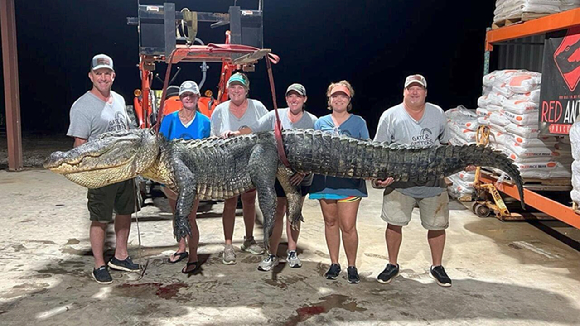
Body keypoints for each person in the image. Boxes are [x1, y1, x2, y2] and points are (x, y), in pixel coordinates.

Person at [225, 83, 318, 271]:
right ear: (286, 99)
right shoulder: (275, 115)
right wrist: (235, 133)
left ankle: (292, 251)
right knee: (277, 212)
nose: (294, 99)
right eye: (290, 96)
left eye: (298, 96)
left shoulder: (312, 120)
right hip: (278, 172)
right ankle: (272, 254)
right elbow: (254, 129)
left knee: (295, 212)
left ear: (304, 99)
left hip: (301, 176)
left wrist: (304, 172)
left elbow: (316, 150)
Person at [373, 74, 453, 287]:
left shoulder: (437, 113)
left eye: (419, 88)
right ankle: (392, 264)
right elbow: (378, 150)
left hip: (433, 182)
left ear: (425, 92)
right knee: (394, 223)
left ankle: (437, 266)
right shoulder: (390, 116)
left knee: (437, 225)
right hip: (400, 184)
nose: (414, 92)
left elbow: (446, 145)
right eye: (410, 88)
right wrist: (381, 177)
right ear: (404, 92)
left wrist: (454, 167)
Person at [67, 54, 140, 284]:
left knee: (125, 212)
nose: (103, 77)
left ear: (113, 76)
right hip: (101, 173)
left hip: (124, 170)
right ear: (91, 76)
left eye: (107, 73)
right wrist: (88, 173)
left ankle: (120, 256)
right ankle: (99, 264)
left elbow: (128, 132)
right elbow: (79, 144)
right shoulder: (82, 106)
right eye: (98, 73)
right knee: (100, 218)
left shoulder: (118, 99)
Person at [308, 80, 369, 284]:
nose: (339, 99)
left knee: (348, 225)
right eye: (335, 95)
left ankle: (352, 266)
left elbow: (367, 152)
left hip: (349, 183)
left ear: (349, 99)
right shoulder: (320, 123)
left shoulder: (358, 122)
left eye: (343, 95)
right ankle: (334, 263)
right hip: (325, 182)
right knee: (330, 222)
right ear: (329, 99)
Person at [210, 72, 268, 264]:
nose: (236, 90)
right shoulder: (219, 109)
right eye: (233, 87)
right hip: (229, 164)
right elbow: (211, 138)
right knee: (230, 202)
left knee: (250, 200)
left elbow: (268, 129)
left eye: (240, 87)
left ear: (246, 90)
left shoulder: (258, 106)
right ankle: (228, 244)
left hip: (251, 162)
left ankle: (249, 239)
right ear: (227, 90)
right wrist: (221, 137)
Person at [159, 80, 211, 274]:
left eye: (192, 95)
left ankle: (193, 256)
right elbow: (162, 148)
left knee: (189, 217)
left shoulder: (205, 121)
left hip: (193, 180)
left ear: (198, 98)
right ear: (180, 98)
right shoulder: (169, 119)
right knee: (177, 215)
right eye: (185, 95)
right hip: (172, 179)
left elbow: (207, 151)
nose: (188, 98)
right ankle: (181, 248)